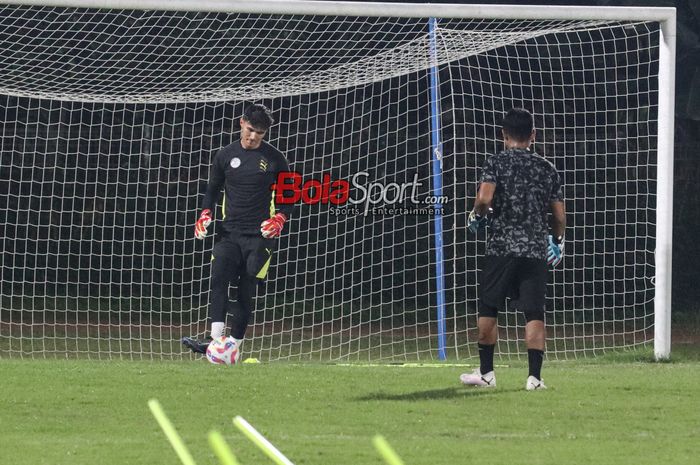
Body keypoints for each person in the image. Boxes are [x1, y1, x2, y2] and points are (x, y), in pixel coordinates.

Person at [460, 108, 566, 390]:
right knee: (533, 312)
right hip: (534, 251)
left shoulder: (496, 162)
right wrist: (557, 241)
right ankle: (534, 378)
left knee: (489, 307)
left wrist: (476, 217)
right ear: (533, 135)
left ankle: (487, 374)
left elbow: (484, 199)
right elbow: (559, 217)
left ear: (503, 134)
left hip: (501, 247)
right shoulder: (547, 168)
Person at [182, 104, 293, 360]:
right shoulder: (224, 155)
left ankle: (233, 346)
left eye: (260, 133)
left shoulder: (276, 158)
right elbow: (212, 189)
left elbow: (289, 195)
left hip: (260, 237)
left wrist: (280, 217)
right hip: (228, 232)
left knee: (246, 288)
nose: (253, 137)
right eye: (251, 129)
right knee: (219, 279)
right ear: (241, 123)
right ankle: (215, 341)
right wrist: (205, 213)